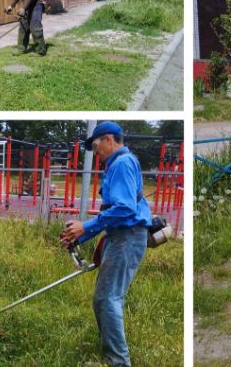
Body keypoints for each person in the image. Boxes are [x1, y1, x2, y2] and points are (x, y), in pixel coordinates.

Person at [60, 121, 152, 367]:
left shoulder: (122, 163)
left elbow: (125, 209)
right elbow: (115, 211)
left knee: (108, 299)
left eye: (97, 144)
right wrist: (81, 234)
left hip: (127, 237)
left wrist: (86, 226)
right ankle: (111, 357)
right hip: (121, 236)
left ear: (109, 139)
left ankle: (118, 362)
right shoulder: (119, 164)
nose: (96, 151)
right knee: (104, 298)